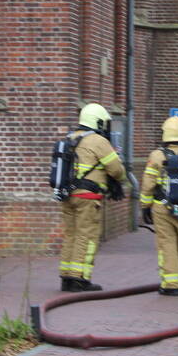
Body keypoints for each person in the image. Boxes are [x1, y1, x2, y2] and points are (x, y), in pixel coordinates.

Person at [58, 103, 126, 292]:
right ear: (98, 122)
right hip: (88, 196)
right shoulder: (97, 141)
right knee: (86, 236)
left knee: (71, 233)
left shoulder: (70, 138)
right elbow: (116, 170)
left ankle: (66, 275)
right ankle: (80, 278)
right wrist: (120, 178)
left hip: (67, 194)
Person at [139, 116, 178, 296]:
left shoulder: (156, 155)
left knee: (167, 244)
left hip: (161, 207)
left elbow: (148, 184)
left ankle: (171, 285)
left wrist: (145, 206)